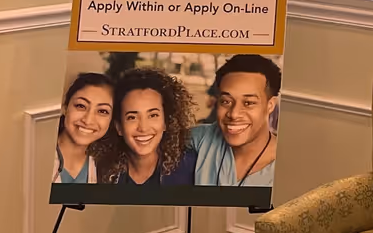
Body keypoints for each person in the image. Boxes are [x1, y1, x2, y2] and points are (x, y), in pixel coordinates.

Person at [189, 53, 280, 187]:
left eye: (248, 103)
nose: (234, 114)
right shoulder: (201, 139)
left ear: (270, 105)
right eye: (226, 101)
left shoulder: (289, 166)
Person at [98, 67, 195, 188]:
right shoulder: (100, 170)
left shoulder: (191, 168)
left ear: (166, 122)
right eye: (132, 117)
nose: (143, 128)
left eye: (153, 115)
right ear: (119, 127)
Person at [52, 72, 114, 185]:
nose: (88, 120)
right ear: (65, 109)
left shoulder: (109, 170)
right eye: (81, 106)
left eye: (102, 111)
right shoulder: (33, 155)